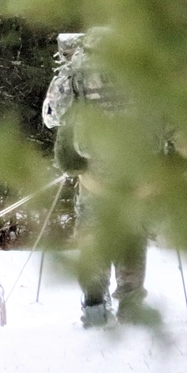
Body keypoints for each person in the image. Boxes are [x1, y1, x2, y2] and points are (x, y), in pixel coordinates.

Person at [42, 27, 150, 328]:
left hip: (94, 166)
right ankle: (131, 303)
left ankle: (94, 303)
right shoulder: (139, 64)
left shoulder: (77, 68)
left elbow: (52, 115)